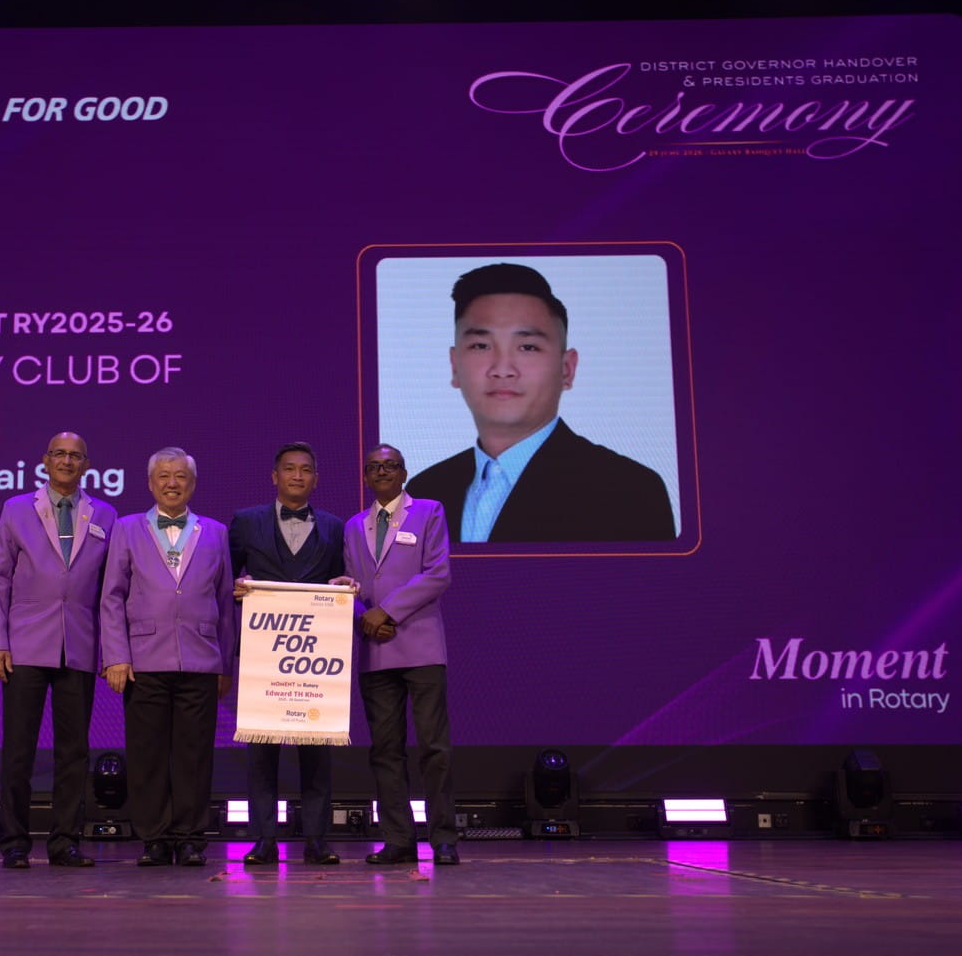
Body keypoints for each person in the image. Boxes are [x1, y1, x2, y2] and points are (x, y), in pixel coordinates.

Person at [405, 262, 675, 543]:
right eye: (481, 346)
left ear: (566, 369)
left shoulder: (628, 491)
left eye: (528, 347)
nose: (502, 369)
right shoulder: (424, 493)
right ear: (454, 366)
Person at [0, 432, 118, 869]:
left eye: (75, 455)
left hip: (78, 644)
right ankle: (15, 843)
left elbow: (111, 590)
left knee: (74, 753)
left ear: (86, 465)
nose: (66, 461)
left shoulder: (106, 515)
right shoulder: (16, 508)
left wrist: (110, 650)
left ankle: (65, 842)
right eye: (59, 454)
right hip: (24, 645)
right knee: (18, 750)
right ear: (45, 460)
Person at [100, 447, 236, 868]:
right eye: (163, 475)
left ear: (192, 484)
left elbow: (224, 602)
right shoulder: (126, 529)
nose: (172, 483)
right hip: (143, 660)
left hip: (201, 659)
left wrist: (225, 664)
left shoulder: (216, 532)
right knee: (147, 755)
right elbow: (111, 596)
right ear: (150, 483)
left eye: (180, 476)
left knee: (194, 756)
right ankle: (154, 839)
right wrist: (115, 656)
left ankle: (190, 838)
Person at [228, 442, 347, 867]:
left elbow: (341, 578)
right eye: (290, 469)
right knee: (262, 751)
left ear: (316, 479)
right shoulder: (245, 522)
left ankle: (317, 839)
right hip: (262, 654)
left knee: (316, 749)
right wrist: (234, 587)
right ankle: (263, 839)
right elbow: (224, 579)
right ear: (274, 476)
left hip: (315, 656)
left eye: (306, 470)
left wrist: (347, 586)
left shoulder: (335, 527)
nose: (298, 476)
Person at [342, 444, 459, 866]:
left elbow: (437, 574)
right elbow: (350, 585)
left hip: (421, 647)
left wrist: (387, 611)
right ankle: (398, 840)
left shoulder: (429, 511)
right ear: (365, 477)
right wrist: (365, 617)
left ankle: (443, 839)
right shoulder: (353, 526)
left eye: (390, 465)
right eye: (374, 467)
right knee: (385, 750)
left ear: (404, 473)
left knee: (433, 747)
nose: (382, 471)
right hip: (376, 650)